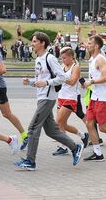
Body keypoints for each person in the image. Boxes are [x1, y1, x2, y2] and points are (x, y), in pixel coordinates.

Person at [14, 32, 82, 170]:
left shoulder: (49, 58)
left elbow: (62, 78)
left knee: (33, 128)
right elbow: (40, 80)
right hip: (41, 97)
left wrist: (46, 83)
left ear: (42, 43)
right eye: (32, 42)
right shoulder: (38, 59)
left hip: (47, 98)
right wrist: (31, 82)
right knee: (51, 131)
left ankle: (30, 161)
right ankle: (75, 147)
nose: (32, 44)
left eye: (34, 41)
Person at [53, 47, 89, 156]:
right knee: (62, 124)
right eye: (61, 58)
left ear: (71, 57)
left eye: (64, 58)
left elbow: (73, 82)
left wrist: (60, 79)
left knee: (58, 122)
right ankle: (83, 136)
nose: (62, 60)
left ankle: (64, 146)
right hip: (61, 97)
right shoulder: (62, 66)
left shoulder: (75, 67)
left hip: (71, 98)